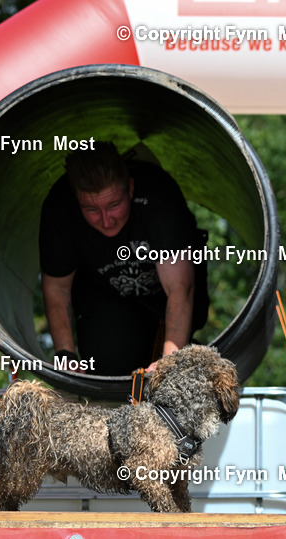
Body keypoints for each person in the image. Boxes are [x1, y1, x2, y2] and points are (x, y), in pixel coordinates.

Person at [39, 142, 208, 375]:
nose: (106, 220)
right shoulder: (60, 209)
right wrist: (66, 356)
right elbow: (57, 288)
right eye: (91, 210)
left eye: (114, 205)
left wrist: (170, 361)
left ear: (130, 188)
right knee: (107, 363)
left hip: (167, 294)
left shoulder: (157, 195)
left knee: (177, 368)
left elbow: (180, 287)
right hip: (103, 296)